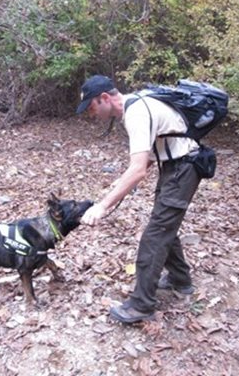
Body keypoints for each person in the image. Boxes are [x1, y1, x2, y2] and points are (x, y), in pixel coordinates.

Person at [76, 75, 202, 323]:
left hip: (183, 168)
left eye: (91, 107)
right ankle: (180, 280)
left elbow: (138, 170)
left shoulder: (136, 113)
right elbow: (148, 156)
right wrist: (120, 182)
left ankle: (141, 306)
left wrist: (102, 206)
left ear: (105, 98)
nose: (92, 114)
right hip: (175, 167)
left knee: (155, 236)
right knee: (164, 225)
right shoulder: (137, 103)